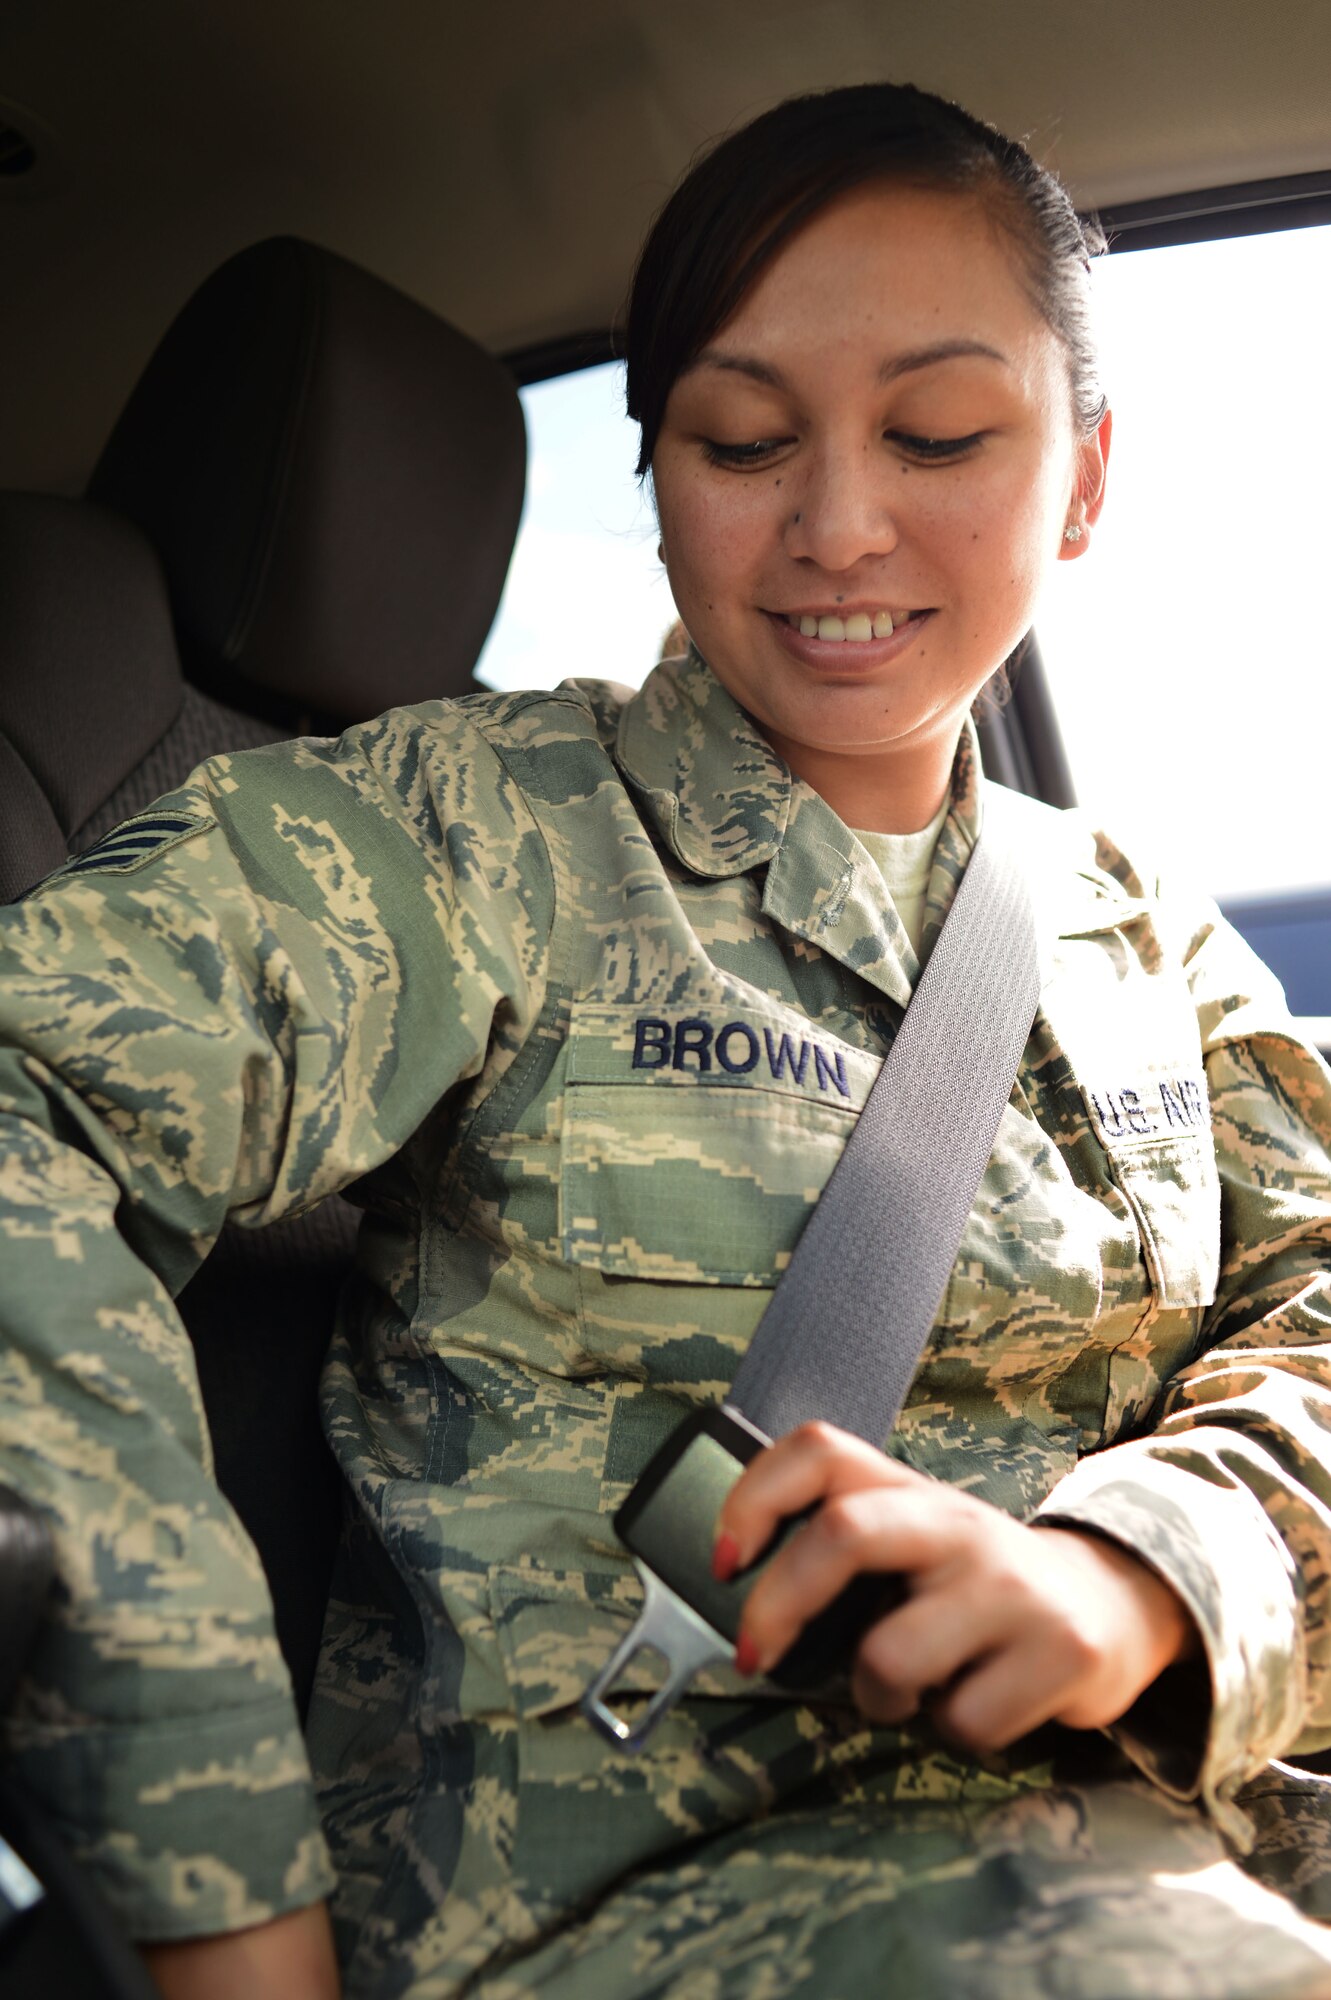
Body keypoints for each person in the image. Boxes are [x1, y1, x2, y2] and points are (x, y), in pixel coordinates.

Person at [2, 79, 1331, 2000]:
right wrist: (218, 1893)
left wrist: (1142, 1575)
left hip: (1211, 1842)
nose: (837, 523)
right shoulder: (483, 832)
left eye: (941, 431)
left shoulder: (1141, 933)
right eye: (739, 439)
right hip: (674, 1897)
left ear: (1091, 474)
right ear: (657, 473)